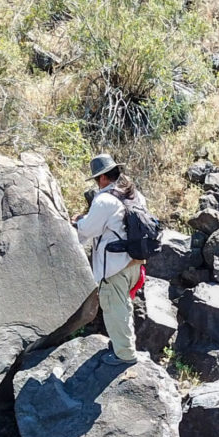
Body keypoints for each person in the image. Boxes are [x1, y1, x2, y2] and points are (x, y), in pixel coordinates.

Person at [72, 153, 147, 366]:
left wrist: (78, 222)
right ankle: (122, 343)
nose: (97, 183)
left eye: (97, 179)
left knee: (115, 307)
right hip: (135, 262)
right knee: (123, 305)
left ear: (103, 178)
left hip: (114, 265)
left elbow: (88, 230)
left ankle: (124, 355)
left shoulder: (104, 200)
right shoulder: (134, 195)